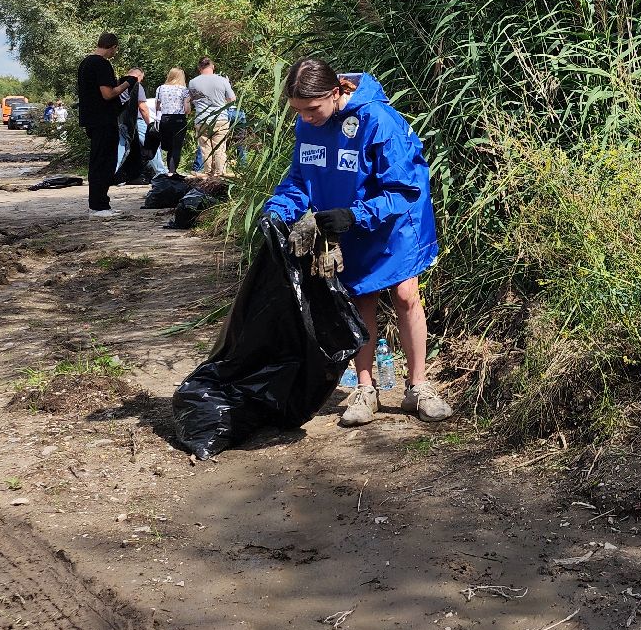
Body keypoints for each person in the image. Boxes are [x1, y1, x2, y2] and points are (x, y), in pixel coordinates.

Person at [262, 58, 451, 425]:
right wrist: (277, 210)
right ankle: (366, 389)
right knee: (359, 298)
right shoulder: (308, 124)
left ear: (335, 93)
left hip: (396, 225)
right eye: (298, 110)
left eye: (312, 108)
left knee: (405, 295)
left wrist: (354, 215)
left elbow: (406, 190)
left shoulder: (379, 121)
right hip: (348, 227)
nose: (305, 117)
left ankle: (418, 386)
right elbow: (300, 179)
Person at [75, 34, 143, 217]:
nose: (115, 52)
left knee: (100, 161)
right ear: (112, 47)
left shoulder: (85, 63)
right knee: (103, 163)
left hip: (93, 119)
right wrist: (129, 82)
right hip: (103, 120)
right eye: (115, 49)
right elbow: (107, 94)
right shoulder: (101, 64)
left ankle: (100, 204)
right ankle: (98, 206)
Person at [189, 58, 237, 177]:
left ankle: (208, 172)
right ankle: (220, 173)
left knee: (205, 147)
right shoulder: (222, 80)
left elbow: (193, 100)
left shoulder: (193, 82)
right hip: (220, 118)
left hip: (202, 118)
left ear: (199, 68)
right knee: (220, 147)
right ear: (213, 67)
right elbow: (232, 99)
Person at [152, 68, 192, 175]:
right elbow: (187, 108)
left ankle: (169, 169)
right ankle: (172, 171)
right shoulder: (184, 90)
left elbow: (157, 106)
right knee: (176, 146)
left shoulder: (161, 88)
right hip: (179, 119)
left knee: (168, 146)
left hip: (165, 119)